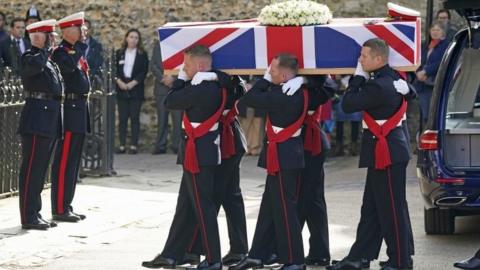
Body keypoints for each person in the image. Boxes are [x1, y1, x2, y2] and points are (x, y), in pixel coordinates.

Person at [326, 38, 413, 270]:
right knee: (372, 206)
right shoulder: (393, 78)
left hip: (387, 151)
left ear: (379, 59)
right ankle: (360, 256)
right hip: (387, 149)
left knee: (390, 208)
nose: (360, 60)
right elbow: (408, 91)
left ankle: (400, 260)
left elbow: (348, 104)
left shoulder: (378, 85)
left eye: (364, 56)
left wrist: (357, 78)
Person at [142, 45, 225, 270]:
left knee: (203, 207)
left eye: (186, 64)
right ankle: (172, 254)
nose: (183, 68)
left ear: (199, 66)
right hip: (200, 153)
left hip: (198, 155)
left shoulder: (198, 89)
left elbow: (170, 101)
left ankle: (213, 258)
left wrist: (179, 80)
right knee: (186, 206)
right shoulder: (215, 85)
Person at [230, 53, 307, 270]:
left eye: (272, 70)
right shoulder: (288, 89)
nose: (268, 72)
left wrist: (264, 81)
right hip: (281, 154)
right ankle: (257, 254)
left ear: (283, 75)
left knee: (285, 209)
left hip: (285, 156)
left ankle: (295, 260)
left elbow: (249, 98)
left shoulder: (285, 94)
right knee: (268, 207)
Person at [184, 72, 249, 267]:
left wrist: (212, 75)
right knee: (231, 196)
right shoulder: (228, 80)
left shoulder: (225, 81)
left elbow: (238, 88)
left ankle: (205, 251)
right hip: (228, 140)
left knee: (213, 197)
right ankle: (238, 248)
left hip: (225, 141)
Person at [17, 19, 62, 230]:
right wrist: (44, 49)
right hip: (36, 118)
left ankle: (36, 211)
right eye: (48, 34)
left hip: (49, 117)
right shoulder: (30, 57)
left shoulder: (49, 60)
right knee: (31, 168)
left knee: (41, 169)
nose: (52, 38)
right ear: (37, 37)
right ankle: (28, 216)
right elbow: (33, 69)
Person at [50, 11, 90, 223]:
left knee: (74, 162)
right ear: (67, 31)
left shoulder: (75, 51)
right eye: (79, 28)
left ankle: (67, 204)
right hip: (69, 110)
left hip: (80, 109)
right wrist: (80, 48)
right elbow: (66, 68)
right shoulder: (61, 52)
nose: (83, 32)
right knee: (64, 161)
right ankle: (58, 208)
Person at [115, 28, 149, 154]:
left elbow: (143, 72)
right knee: (123, 118)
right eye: (131, 37)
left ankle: (134, 145)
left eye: (136, 37)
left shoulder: (142, 54)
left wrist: (132, 84)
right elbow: (115, 70)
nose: (133, 40)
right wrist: (119, 82)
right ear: (126, 38)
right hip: (121, 88)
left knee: (134, 118)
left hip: (135, 89)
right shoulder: (119, 53)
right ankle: (122, 144)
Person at [414, 21, 449, 125]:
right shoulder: (425, 45)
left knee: (433, 114)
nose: (435, 32)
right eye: (433, 29)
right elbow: (418, 59)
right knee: (425, 114)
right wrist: (418, 72)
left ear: (443, 32)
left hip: (435, 84)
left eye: (438, 30)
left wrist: (426, 71)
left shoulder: (445, 45)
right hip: (422, 84)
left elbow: (441, 62)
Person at [150, 39, 181, 155]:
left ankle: (176, 145)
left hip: (176, 88)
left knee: (178, 119)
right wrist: (162, 78)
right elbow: (153, 65)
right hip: (161, 88)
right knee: (162, 119)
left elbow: (184, 65)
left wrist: (173, 78)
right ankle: (160, 145)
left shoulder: (180, 44)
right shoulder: (158, 45)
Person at [331, 75, 362, 157]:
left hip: (354, 94)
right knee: (339, 122)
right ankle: (339, 147)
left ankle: (354, 147)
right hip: (340, 94)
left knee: (355, 122)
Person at [83, 19, 104, 86]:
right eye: (83, 29)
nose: (85, 32)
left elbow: (98, 63)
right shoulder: (74, 45)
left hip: (92, 81)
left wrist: (91, 75)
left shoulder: (97, 46)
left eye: (87, 29)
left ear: (90, 30)